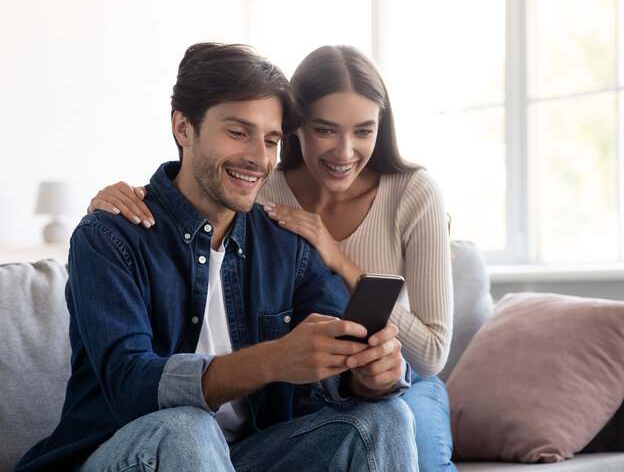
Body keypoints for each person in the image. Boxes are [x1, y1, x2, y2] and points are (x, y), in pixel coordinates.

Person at [17, 43, 418, 472]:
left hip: (244, 457)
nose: (259, 158)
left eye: (271, 140)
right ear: (183, 128)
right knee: (188, 429)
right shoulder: (110, 236)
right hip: (128, 453)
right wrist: (273, 359)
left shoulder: (287, 244)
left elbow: (338, 366)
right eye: (238, 132)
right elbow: (130, 385)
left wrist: (371, 374)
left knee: (387, 417)